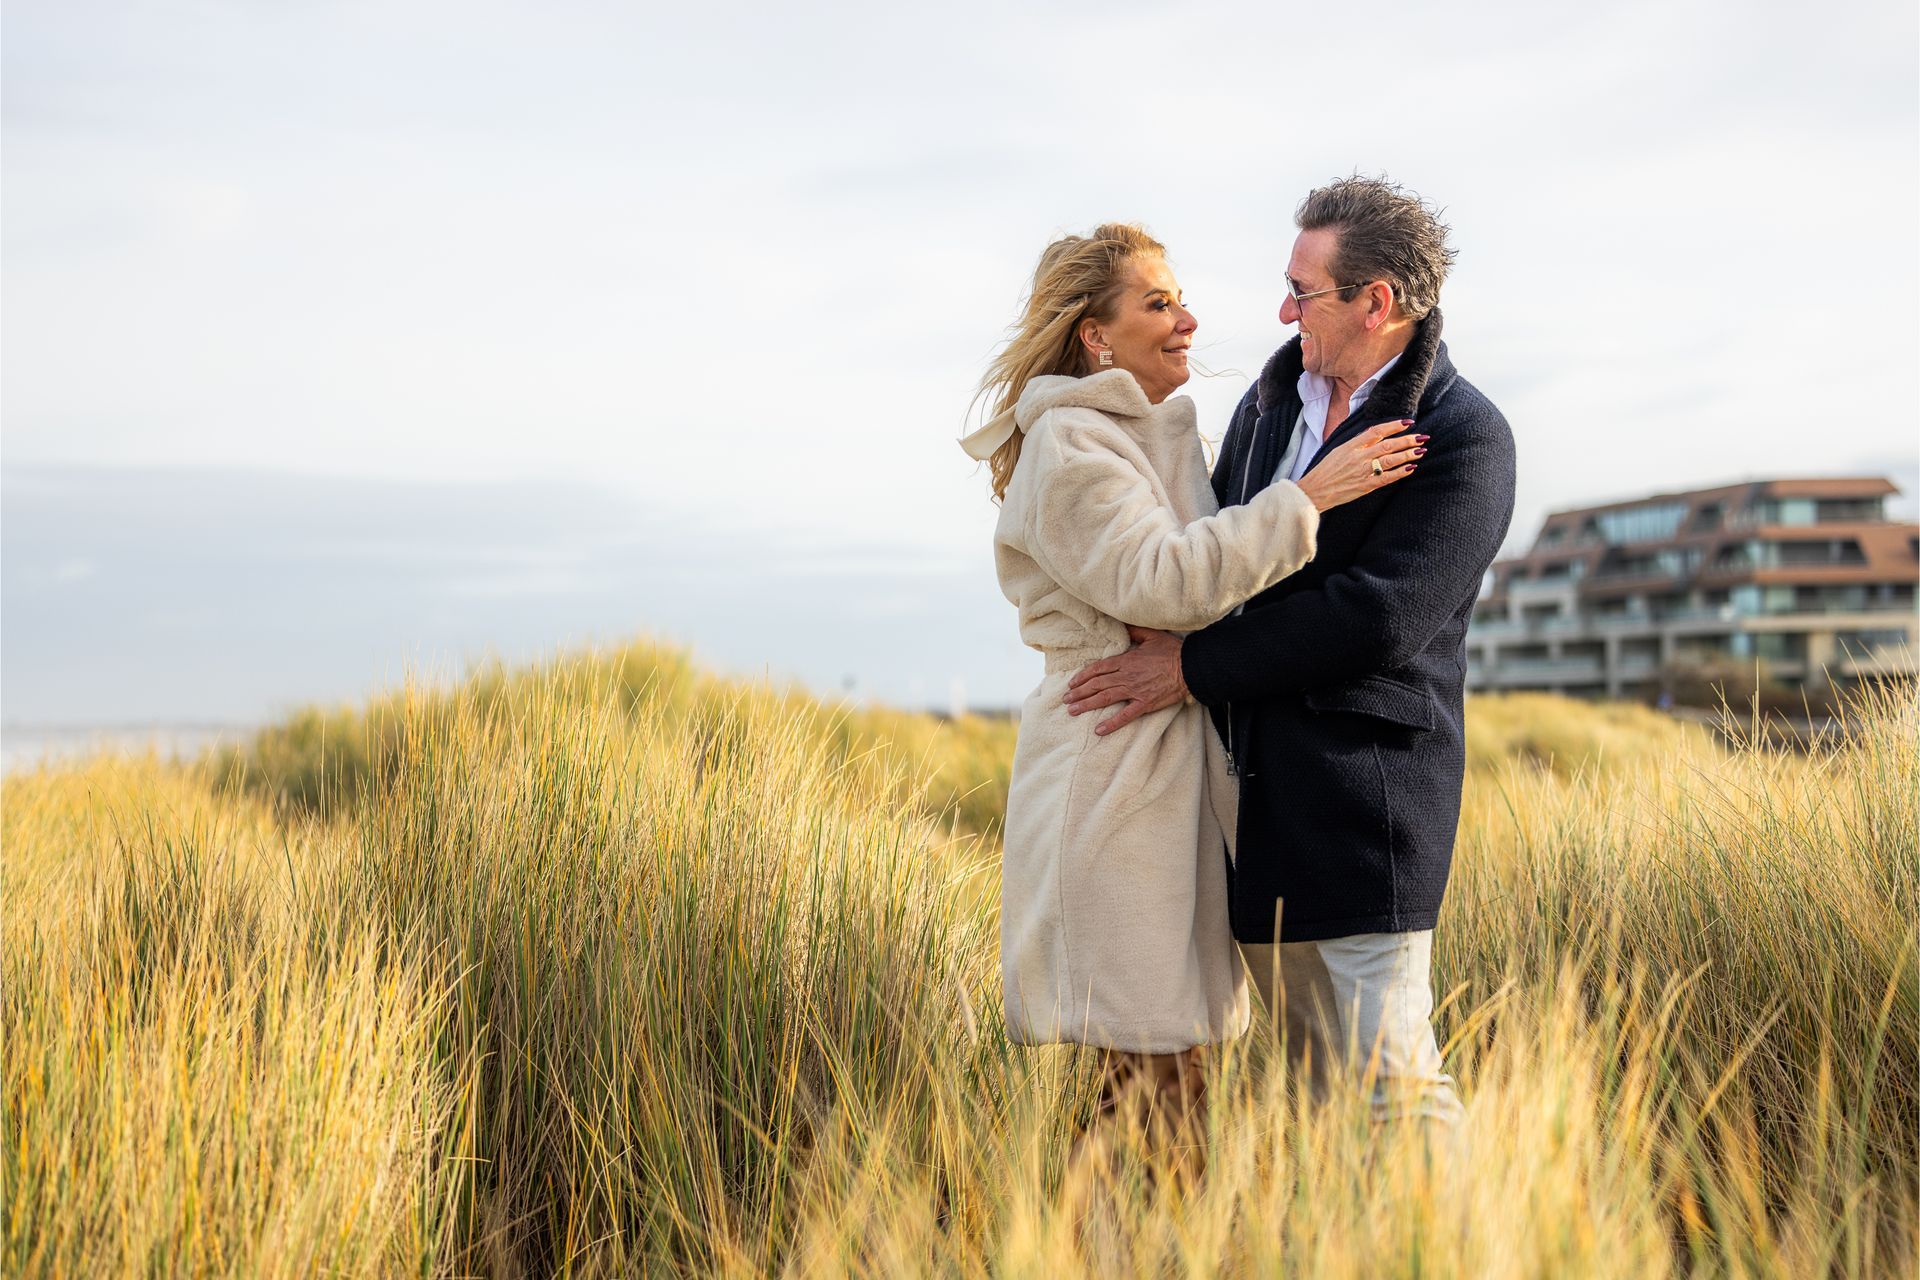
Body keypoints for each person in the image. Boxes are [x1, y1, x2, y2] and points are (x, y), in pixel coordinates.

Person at [1064, 178, 1517, 1124]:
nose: (1282, 311)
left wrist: (1187, 669)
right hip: (1248, 823)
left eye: (1302, 292)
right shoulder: (1271, 406)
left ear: (1375, 303)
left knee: (1393, 1093)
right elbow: (1219, 555)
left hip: (1364, 824)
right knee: (1320, 1105)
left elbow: (1378, 618)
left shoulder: (1465, 436)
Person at [960, 222, 1423, 1126]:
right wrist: (1312, 495)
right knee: (1150, 1088)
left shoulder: (1144, 436)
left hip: (1161, 769)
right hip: (1114, 771)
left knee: (1169, 1083)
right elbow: (1163, 585)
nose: (1189, 322)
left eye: (1181, 300)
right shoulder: (1073, 445)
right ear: (1095, 335)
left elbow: (1187, 591)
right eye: (1158, 303)